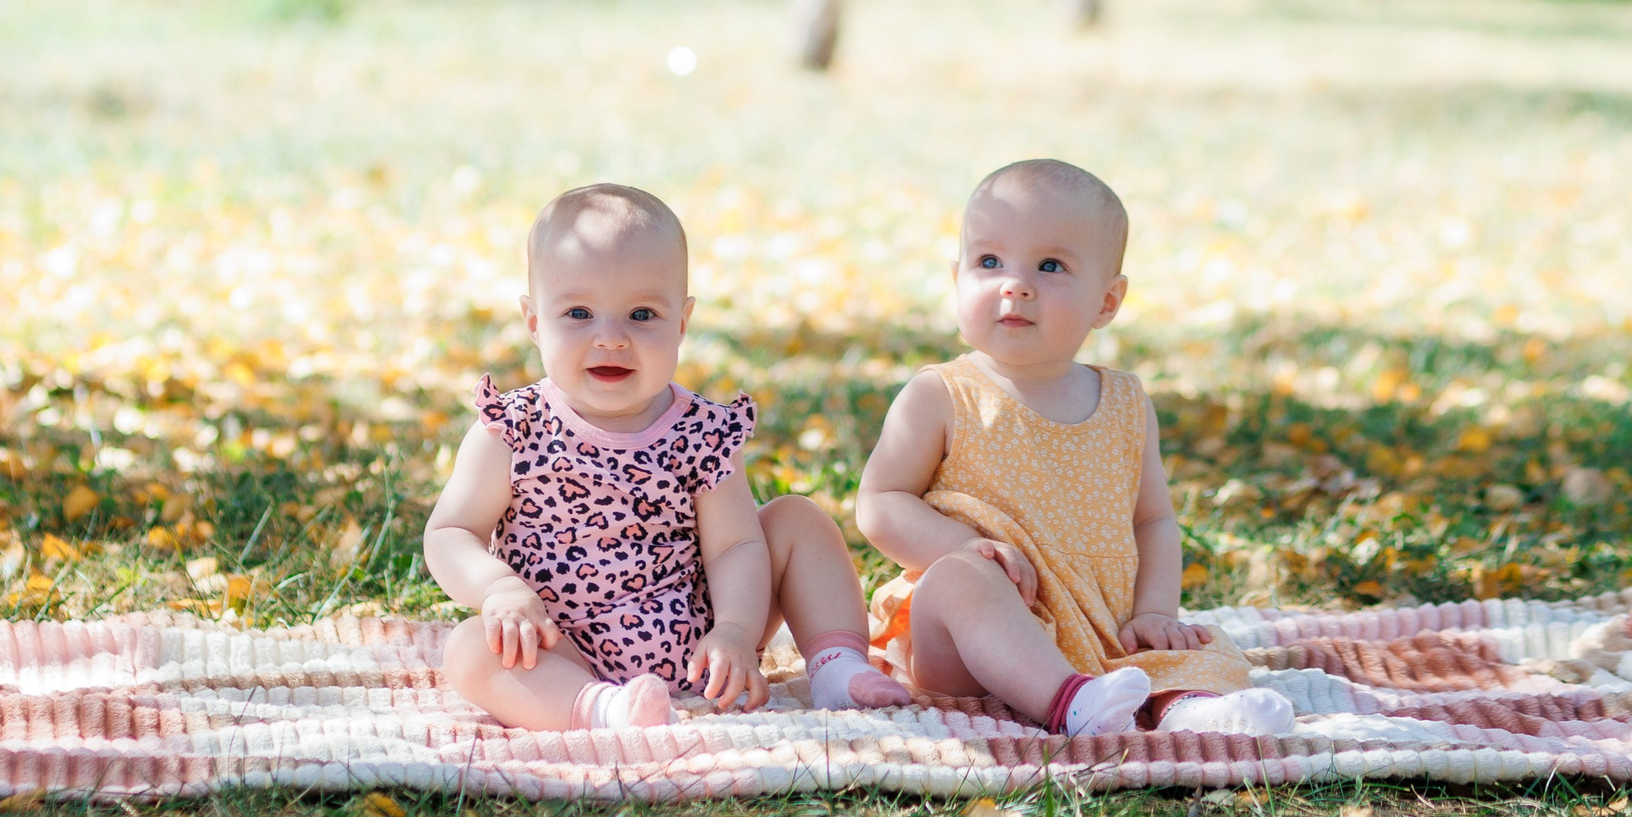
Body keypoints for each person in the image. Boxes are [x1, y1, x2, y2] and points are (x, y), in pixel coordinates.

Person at [424, 183, 911, 730]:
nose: (610, 338)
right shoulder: (512, 429)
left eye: (641, 315)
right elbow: (451, 532)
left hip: (700, 641)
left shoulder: (702, 432)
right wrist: (497, 588)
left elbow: (735, 547)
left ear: (681, 322)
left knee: (796, 519)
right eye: (579, 313)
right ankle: (600, 710)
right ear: (535, 322)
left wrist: (733, 631)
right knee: (470, 650)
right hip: (561, 644)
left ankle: (836, 667)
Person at [855, 160, 1297, 737]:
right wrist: (965, 546)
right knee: (959, 580)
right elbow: (880, 501)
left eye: (1051, 265)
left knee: (1199, 644)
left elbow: (1154, 520)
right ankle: (1072, 705)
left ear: (1107, 302)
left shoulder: (1125, 403)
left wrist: (1156, 613)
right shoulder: (941, 394)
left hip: (1098, 631)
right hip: (971, 636)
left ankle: (1191, 711)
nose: (1015, 284)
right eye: (989, 262)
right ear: (957, 278)